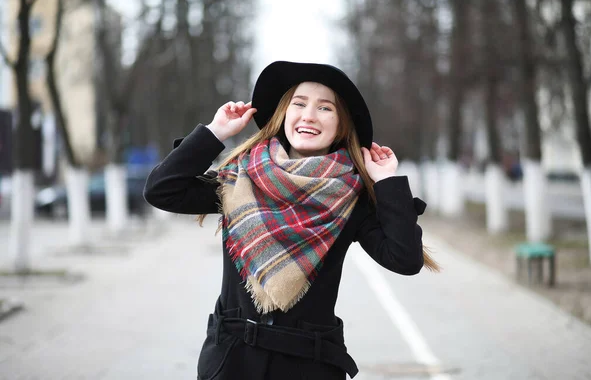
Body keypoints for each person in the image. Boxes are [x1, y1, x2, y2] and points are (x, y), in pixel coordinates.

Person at [143, 61, 439, 380]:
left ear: (341, 125)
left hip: (309, 366)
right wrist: (215, 133)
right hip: (232, 363)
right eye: (299, 104)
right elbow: (162, 190)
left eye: (325, 108)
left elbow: (405, 259)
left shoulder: (352, 195)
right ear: (284, 115)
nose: (309, 115)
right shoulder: (239, 178)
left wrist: (384, 183)